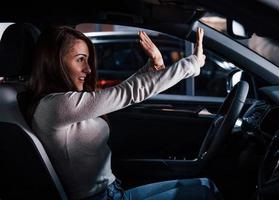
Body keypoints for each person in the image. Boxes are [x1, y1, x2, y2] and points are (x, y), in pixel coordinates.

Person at [26, 25, 221, 200]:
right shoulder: (55, 105)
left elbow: (123, 92)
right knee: (205, 191)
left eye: (87, 60)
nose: (88, 69)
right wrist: (192, 64)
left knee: (204, 186)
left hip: (112, 192)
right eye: (80, 60)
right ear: (54, 63)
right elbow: (126, 93)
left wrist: (151, 69)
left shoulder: (61, 102)